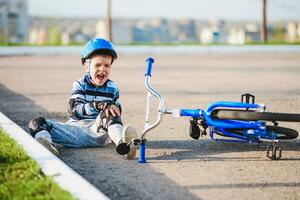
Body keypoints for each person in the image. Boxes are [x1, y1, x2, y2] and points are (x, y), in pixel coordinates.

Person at [28, 38, 137, 159]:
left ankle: (123, 145)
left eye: (107, 65)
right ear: (86, 66)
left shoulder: (113, 88)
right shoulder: (79, 84)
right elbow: (74, 110)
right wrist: (97, 105)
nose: (103, 69)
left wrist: (112, 113)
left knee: (110, 112)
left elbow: (116, 114)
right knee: (36, 123)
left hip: (97, 133)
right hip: (74, 132)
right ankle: (46, 144)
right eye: (98, 65)